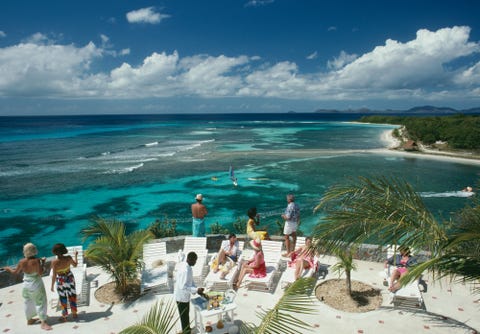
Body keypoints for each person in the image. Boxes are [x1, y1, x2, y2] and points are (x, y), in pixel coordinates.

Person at [2, 243, 52, 331]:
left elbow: (15, 272)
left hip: (26, 285)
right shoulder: (36, 261)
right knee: (40, 302)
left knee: (27, 301)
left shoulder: (21, 262)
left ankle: (29, 320)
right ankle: (43, 322)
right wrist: (43, 262)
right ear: (34, 251)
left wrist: (7, 268)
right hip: (36, 284)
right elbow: (40, 273)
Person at [174, 251, 204, 334]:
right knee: (184, 317)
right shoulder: (185, 270)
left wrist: (197, 289)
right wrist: (196, 290)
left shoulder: (188, 267)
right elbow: (183, 286)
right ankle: (186, 332)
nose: (195, 262)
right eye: (194, 261)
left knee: (186, 315)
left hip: (185, 296)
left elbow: (190, 281)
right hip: (181, 297)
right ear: (189, 259)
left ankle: (187, 330)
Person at [50, 243, 78, 322]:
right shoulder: (68, 258)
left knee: (63, 298)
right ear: (64, 250)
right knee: (72, 295)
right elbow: (75, 265)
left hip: (60, 280)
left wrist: (52, 286)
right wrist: (75, 255)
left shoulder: (54, 262)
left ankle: (65, 315)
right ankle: (74, 313)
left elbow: (54, 275)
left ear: (55, 252)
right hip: (69, 278)